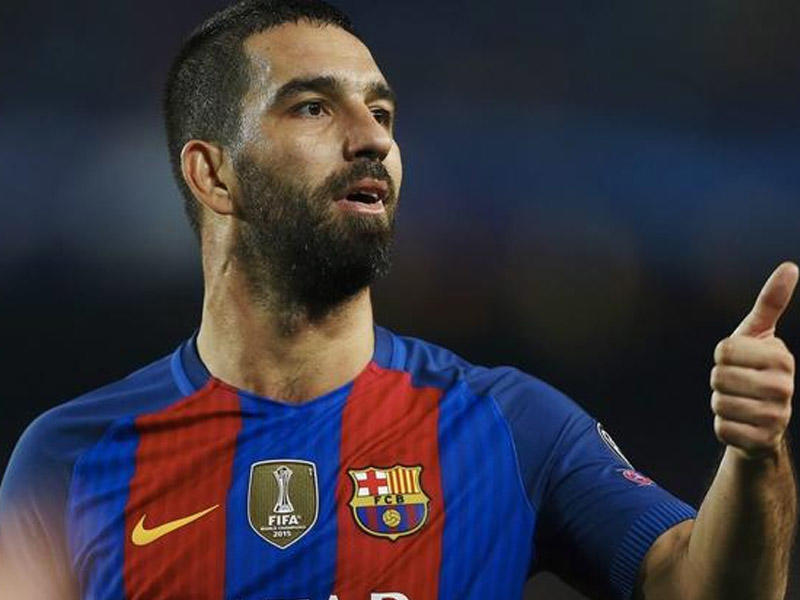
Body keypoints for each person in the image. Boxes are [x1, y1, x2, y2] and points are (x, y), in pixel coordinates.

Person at [0, 1, 796, 598]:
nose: (373, 137)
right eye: (314, 107)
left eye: (380, 112)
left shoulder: (510, 425)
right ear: (214, 174)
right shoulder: (70, 459)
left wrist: (755, 457)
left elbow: (704, 589)